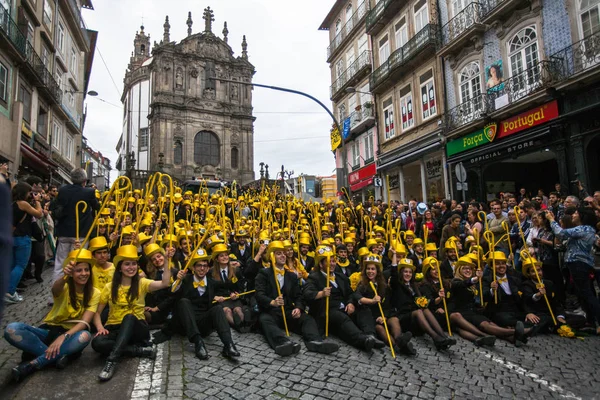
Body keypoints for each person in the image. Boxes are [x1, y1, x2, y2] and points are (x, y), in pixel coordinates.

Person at [4, 249, 99, 381]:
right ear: (71, 273)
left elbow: (84, 322)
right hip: (49, 330)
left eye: (86, 270)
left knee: (85, 336)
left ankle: (33, 364)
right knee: (12, 329)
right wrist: (63, 276)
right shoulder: (64, 286)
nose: (84, 274)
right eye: (79, 270)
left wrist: (63, 337)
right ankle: (58, 357)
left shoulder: (95, 293)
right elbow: (56, 289)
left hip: (70, 335)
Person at [92, 245, 172, 381]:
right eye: (127, 264)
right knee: (97, 343)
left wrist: (167, 260)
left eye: (134, 264)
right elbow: (97, 313)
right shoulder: (109, 287)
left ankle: (111, 361)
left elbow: (165, 283)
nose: (131, 267)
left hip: (137, 328)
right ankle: (139, 351)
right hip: (115, 328)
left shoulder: (142, 283)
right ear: (120, 267)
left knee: (129, 317)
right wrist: (100, 327)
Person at [255, 241, 339, 356]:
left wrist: (299, 308)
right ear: (271, 256)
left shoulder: (291, 276)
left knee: (307, 319)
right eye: (279, 253)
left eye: (284, 253)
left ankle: (315, 341)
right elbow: (259, 294)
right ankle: (283, 343)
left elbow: (299, 295)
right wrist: (272, 302)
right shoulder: (263, 274)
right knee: (265, 320)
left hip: (288, 310)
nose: (283, 255)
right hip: (271, 311)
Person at [303, 246, 384, 351]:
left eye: (333, 261)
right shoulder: (314, 277)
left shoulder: (341, 277)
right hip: (327, 311)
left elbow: (351, 293)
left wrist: (350, 303)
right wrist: (321, 293)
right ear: (321, 264)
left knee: (363, 309)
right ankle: (363, 339)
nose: (332, 264)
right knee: (342, 318)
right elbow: (307, 294)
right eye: (329, 262)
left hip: (345, 308)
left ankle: (370, 335)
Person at [165, 248, 240, 361]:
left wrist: (233, 294)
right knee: (183, 302)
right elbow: (172, 291)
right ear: (193, 268)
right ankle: (198, 343)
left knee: (218, 309)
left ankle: (228, 345)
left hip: (203, 322)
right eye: (199, 265)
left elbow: (227, 286)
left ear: (208, 268)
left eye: (205, 266)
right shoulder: (185, 280)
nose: (202, 268)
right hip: (186, 323)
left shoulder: (211, 282)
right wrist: (178, 280)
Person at [546, 208, 600, 335]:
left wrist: (551, 220)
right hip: (576, 264)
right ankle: (590, 321)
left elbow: (561, 233)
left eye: (576, 213)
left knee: (587, 293)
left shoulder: (584, 229)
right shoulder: (583, 230)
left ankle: (597, 321)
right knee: (582, 293)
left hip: (579, 264)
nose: (573, 215)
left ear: (582, 216)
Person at [354, 252, 415, 355]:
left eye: (373, 269)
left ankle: (399, 339)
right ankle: (397, 346)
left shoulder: (384, 285)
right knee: (379, 328)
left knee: (394, 319)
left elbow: (387, 304)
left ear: (377, 271)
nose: (370, 271)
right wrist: (372, 302)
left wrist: (385, 317)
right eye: (368, 269)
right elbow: (357, 297)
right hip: (373, 317)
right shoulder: (362, 285)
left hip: (385, 314)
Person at [390, 257, 456, 351]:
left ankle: (443, 336)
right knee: (419, 312)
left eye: (410, 272)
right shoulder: (397, 285)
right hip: (403, 317)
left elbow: (422, 302)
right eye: (405, 272)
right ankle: (435, 338)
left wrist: (438, 299)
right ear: (400, 273)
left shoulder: (414, 285)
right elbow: (393, 275)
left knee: (424, 309)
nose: (408, 274)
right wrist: (394, 255)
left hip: (415, 318)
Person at [53, 168, 99, 287]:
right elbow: (97, 206)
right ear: (84, 180)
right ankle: (75, 291)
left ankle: (55, 294)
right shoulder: (88, 192)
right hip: (81, 232)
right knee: (78, 262)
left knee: (60, 263)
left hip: (64, 232)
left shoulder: (62, 190)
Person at [6, 182, 44, 304]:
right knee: (20, 265)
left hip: (11, 236)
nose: (31, 194)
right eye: (29, 192)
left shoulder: (11, 203)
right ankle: (9, 292)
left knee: (12, 265)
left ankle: (7, 290)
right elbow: (39, 214)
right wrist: (38, 201)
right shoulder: (23, 204)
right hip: (22, 237)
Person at [519, 256, 566, 335]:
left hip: (551, 314)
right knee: (540, 320)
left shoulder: (549, 283)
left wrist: (560, 316)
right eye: (533, 271)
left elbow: (557, 302)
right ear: (529, 274)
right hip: (538, 314)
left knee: (578, 319)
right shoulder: (526, 285)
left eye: (539, 270)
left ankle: (551, 326)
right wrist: (538, 295)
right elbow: (527, 299)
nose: (537, 273)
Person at [210, 243, 248, 331]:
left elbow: (241, 287)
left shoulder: (236, 270)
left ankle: (243, 323)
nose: (225, 257)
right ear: (216, 259)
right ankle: (237, 326)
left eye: (226, 255)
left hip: (233, 298)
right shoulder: (211, 272)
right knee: (227, 311)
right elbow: (210, 289)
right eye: (221, 256)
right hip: (221, 300)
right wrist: (215, 297)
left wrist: (238, 294)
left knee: (238, 310)